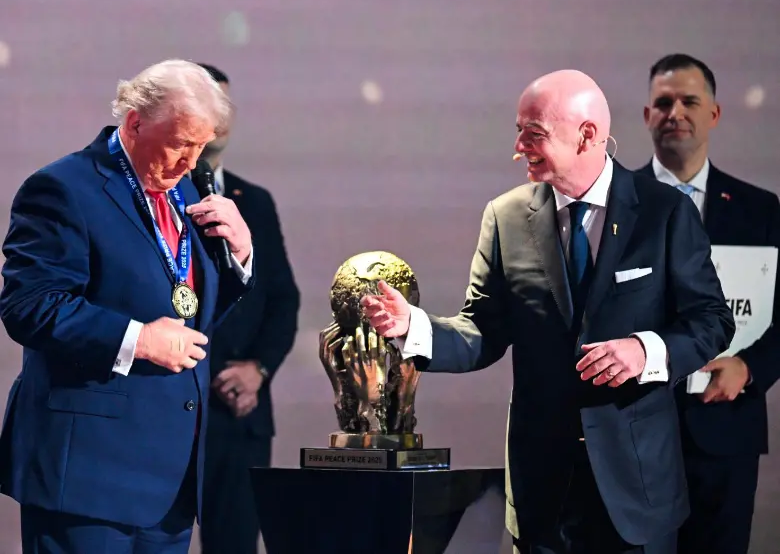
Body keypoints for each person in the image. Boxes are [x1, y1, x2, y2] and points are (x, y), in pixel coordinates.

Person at [360, 69, 735, 554]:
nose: (518, 146)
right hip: (541, 491)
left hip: (637, 488)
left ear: (587, 136)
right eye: (518, 130)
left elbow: (711, 321)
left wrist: (647, 352)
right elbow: (481, 331)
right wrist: (414, 327)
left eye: (533, 133)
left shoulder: (665, 212)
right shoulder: (506, 216)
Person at [0, 59, 255, 554]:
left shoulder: (188, 191)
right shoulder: (63, 188)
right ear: (135, 121)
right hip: (88, 476)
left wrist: (240, 258)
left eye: (202, 146)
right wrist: (138, 339)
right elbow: (29, 306)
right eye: (181, 143)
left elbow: (193, 316)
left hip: (170, 481)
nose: (191, 161)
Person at [637, 53, 780, 554]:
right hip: (633, 433)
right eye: (663, 102)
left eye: (689, 101)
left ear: (714, 114)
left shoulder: (760, 210)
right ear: (647, 116)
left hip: (725, 428)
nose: (675, 111)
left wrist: (749, 366)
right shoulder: (614, 204)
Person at [194, 63, 300, 554]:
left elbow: (282, 298)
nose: (221, 115)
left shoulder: (253, 200)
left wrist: (257, 370)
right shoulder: (153, 195)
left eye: (226, 104)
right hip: (174, 402)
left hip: (241, 414)